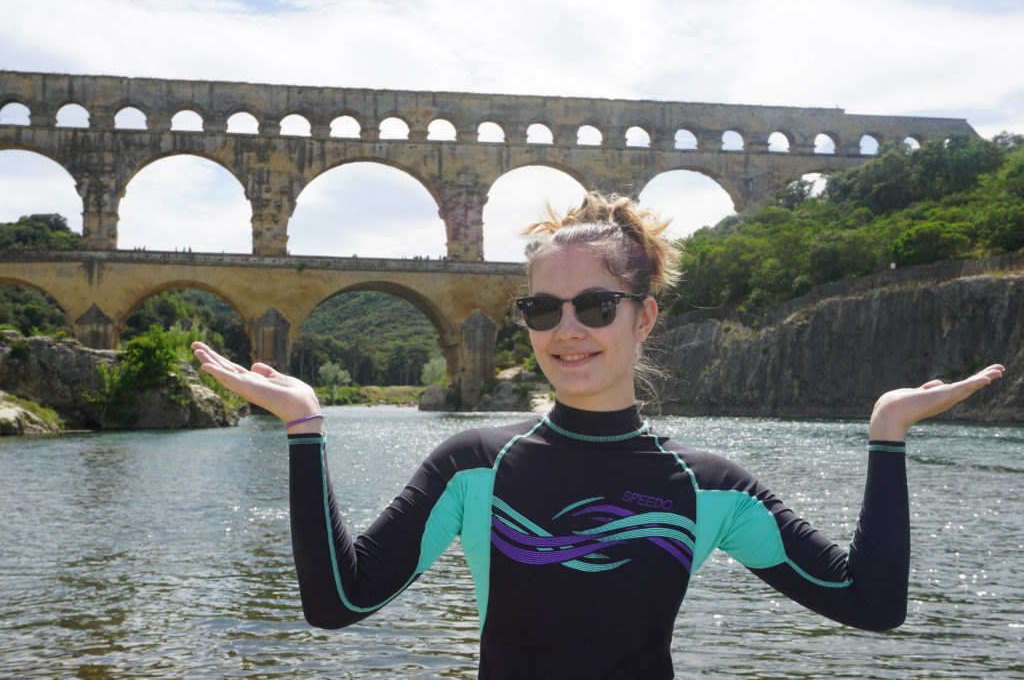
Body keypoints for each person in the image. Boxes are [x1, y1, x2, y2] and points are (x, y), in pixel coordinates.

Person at [192, 192, 1004, 679]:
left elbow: (871, 603)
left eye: (596, 305)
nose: (567, 328)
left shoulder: (708, 484)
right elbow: (340, 601)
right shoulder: (475, 463)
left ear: (644, 316)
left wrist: (887, 436)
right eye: (543, 308)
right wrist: (305, 427)